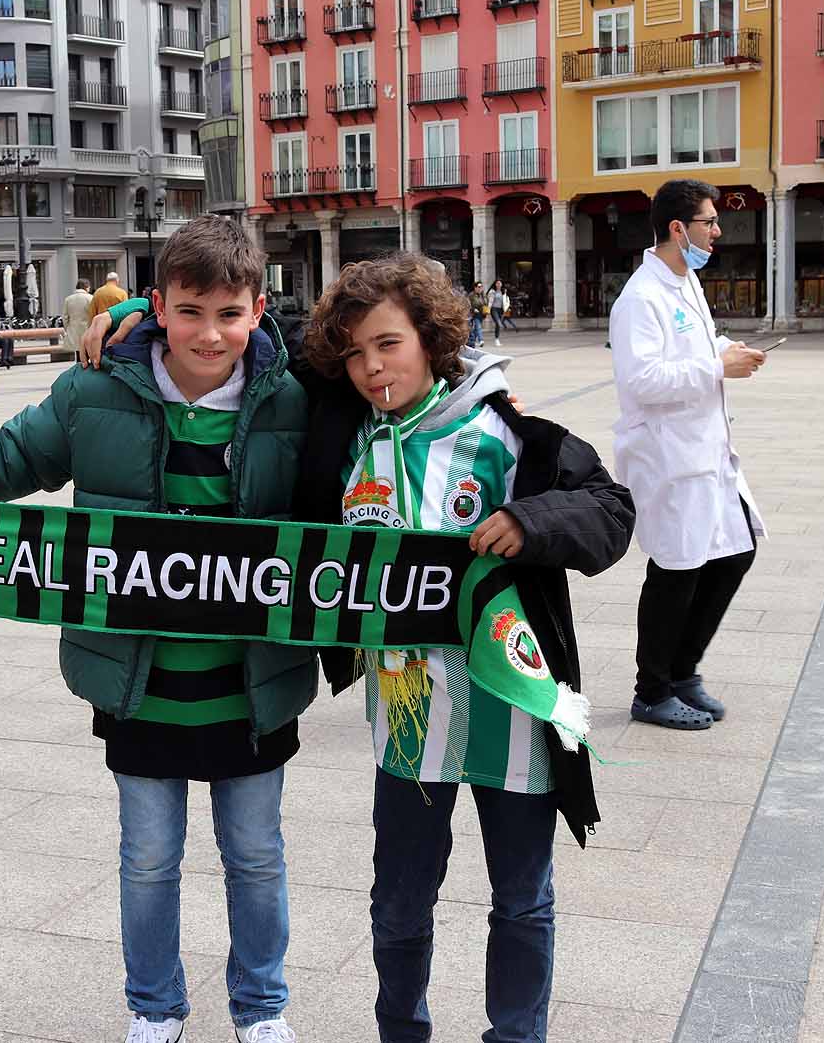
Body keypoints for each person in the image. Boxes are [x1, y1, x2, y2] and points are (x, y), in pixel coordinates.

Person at [0, 215, 313, 1043]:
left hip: (255, 685)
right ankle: (154, 1005)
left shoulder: (296, 397)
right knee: (148, 862)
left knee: (257, 860)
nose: (208, 333)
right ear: (159, 306)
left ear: (258, 308)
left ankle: (262, 1006)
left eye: (228, 312)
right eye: (188, 311)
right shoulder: (94, 389)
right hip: (136, 684)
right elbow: (2, 459)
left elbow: (391, 421)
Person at [301, 254, 634, 1043]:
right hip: (410, 720)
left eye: (388, 343)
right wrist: (135, 318)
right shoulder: (349, 439)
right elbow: (253, 347)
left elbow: (611, 509)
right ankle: (402, 1032)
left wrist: (531, 523)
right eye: (354, 352)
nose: (372, 366)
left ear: (431, 337)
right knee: (399, 901)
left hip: (512, 710)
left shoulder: (504, 432)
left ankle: (516, 1036)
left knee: (522, 896)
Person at [608, 180, 768, 731]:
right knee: (676, 570)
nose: (717, 231)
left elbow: (698, 348)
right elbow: (641, 378)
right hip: (669, 458)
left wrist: (727, 350)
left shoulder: (687, 284)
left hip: (708, 452)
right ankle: (651, 689)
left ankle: (682, 671)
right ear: (679, 229)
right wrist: (717, 368)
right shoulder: (641, 298)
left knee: (734, 552)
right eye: (709, 222)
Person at [62, 277, 94, 353]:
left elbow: (65, 317)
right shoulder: (91, 298)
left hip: (73, 329)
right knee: (87, 351)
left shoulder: (68, 299)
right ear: (86, 287)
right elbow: (93, 314)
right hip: (87, 328)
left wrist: (68, 328)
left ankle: (79, 364)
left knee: (77, 351)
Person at [485, 279, 507, 347]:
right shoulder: (492, 291)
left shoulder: (503, 291)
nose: (498, 285)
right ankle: (497, 340)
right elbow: (490, 301)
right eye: (497, 283)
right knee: (498, 323)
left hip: (500, 309)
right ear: (495, 284)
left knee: (498, 325)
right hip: (493, 309)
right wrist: (488, 310)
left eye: (500, 283)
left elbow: (505, 301)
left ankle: (497, 339)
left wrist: (506, 309)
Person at [467, 283, 486, 348]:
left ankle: (472, 343)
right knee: (478, 327)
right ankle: (481, 340)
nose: (480, 288)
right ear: (475, 288)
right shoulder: (471, 295)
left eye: (481, 287)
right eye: (479, 287)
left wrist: (486, 310)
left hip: (481, 313)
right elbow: (468, 304)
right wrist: (473, 309)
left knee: (475, 330)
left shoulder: (482, 295)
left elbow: (485, 303)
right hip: (474, 314)